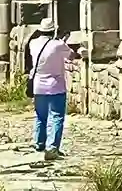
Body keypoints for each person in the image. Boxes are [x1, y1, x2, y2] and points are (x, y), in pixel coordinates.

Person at [27, 18, 81, 161]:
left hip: (38, 85)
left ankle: (39, 143)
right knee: (57, 116)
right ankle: (52, 147)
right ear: (53, 30)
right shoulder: (58, 45)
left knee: (40, 115)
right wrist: (63, 42)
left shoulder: (33, 43)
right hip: (55, 85)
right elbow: (71, 55)